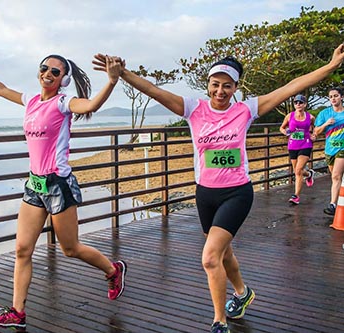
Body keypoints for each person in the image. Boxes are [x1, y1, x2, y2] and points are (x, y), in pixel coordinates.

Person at [93, 43, 344, 333]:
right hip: (205, 195)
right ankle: (242, 292)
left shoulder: (246, 110)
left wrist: (329, 67)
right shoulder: (193, 109)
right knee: (224, 254)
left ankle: (219, 321)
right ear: (208, 84)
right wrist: (122, 73)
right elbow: (153, 90)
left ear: (236, 86)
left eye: (227, 86)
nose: (220, 91)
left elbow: (291, 86)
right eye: (215, 85)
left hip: (236, 193)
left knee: (210, 257)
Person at [0, 52, 128, 330]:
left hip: (58, 184)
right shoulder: (30, 100)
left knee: (69, 248)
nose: (48, 74)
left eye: (55, 72)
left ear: (63, 79)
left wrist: (112, 82)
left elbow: (91, 104)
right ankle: (18, 313)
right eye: (45, 68)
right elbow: (2, 90)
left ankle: (113, 270)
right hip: (34, 184)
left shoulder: (64, 103)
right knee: (22, 249)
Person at [279, 94, 316, 205]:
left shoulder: (311, 117)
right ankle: (309, 174)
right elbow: (282, 127)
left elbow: (315, 128)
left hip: (306, 144)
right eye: (296, 102)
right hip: (293, 145)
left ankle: (296, 196)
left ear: (305, 104)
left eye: (301, 102)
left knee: (298, 169)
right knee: (297, 171)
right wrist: (284, 132)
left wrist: (314, 135)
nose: (298, 104)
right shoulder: (289, 116)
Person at [314, 87, 344, 215]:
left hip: (342, 148)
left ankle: (332, 204)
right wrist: (326, 124)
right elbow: (316, 131)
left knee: (336, 175)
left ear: (342, 97)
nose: (333, 98)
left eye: (336, 96)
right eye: (331, 96)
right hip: (329, 149)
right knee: (335, 177)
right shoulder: (324, 113)